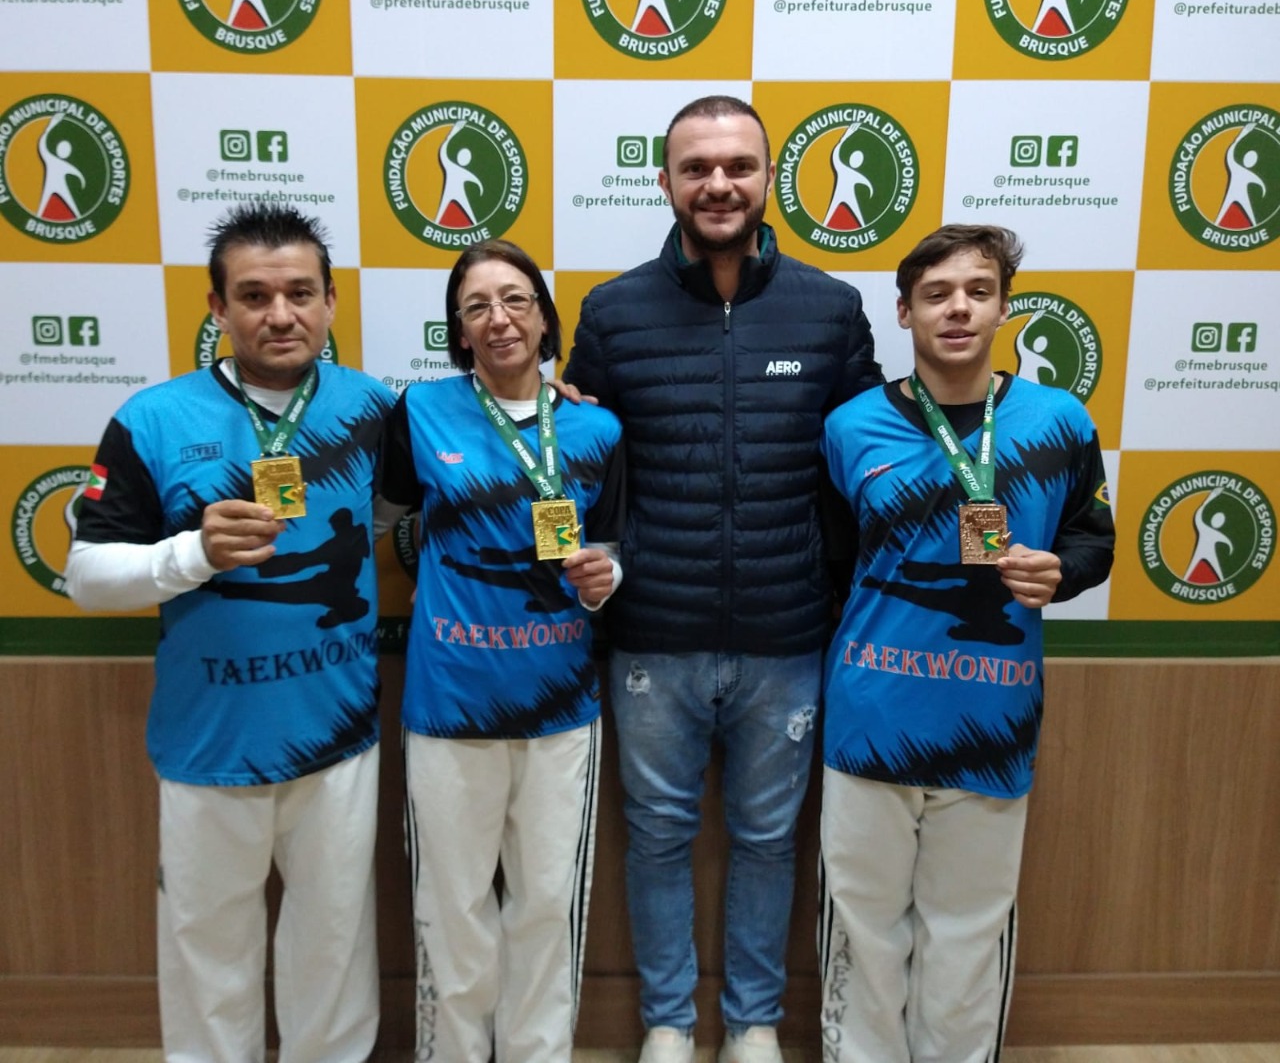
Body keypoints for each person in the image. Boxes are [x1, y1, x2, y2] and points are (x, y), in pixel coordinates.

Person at [561, 94, 883, 1063]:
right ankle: (666, 1021)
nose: (717, 183)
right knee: (655, 840)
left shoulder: (830, 310)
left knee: (767, 841)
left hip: (786, 638)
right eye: (695, 166)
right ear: (664, 181)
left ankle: (747, 1022)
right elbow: (579, 465)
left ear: (765, 178)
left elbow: (863, 471)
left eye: (736, 165)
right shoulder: (611, 312)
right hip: (652, 632)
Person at [65, 203, 394, 1063]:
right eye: (254, 295)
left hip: (339, 739)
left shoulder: (374, 408)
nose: (279, 315)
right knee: (210, 962)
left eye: (299, 293)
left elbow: (475, 456)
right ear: (216, 308)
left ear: (330, 303)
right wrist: (191, 553)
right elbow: (85, 577)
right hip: (208, 745)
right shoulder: (154, 419)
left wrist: (556, 396)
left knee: (334, 952)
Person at [817, 224, 1115, 1062]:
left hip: (992, 720)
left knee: (967, 935)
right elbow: (836, 564)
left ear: (1003, 308)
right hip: (870, 715)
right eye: (938, 295)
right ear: (905, 312)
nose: (958, 309)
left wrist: (1063, 571)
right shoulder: (850, 426)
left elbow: (1096, 537)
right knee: (862, 932)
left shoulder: (1058, 420)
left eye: (977, 292)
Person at [380, 239, 625, 1063]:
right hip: (449, 705)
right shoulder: (418, 412)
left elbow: (616, 546)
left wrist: (606, 576)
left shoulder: (595, 427)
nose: (499, 318)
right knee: (451, 914)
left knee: (546, 909)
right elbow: (390, 523)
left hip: (561, 709)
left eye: (516, 299)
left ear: (546, 317)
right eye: (477, 305)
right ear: (458, 328)